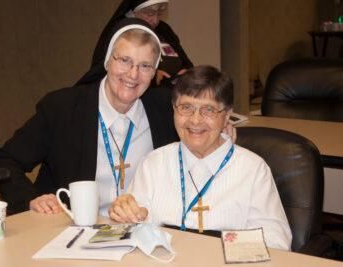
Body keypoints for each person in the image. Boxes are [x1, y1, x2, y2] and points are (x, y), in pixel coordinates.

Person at [0, 19, 179, 215]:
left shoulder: (167, 109)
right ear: (107, 60)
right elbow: (5, 160)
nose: (133, 74)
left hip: (143, 229)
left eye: (145, 66)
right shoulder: (62, 109)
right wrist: (31, 199)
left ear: (154, 72)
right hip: (72, 230)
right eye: (125, 60)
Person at [109, 65, 292, 250]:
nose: (195, 120)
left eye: (208, 110)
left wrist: (213, 248)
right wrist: (125, 214)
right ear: (173, 109)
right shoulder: (154, 163)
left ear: (227, 115)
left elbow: (276, 243)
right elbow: (130, 234)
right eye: (186, 107)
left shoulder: (253, 170)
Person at [90, 0, 193, 87]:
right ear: (134, 12)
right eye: (150, 14)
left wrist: (187, 72)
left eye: (159, 14)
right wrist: (151, 75)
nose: (155, 20)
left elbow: (185, 61)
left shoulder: (164, 29)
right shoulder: (122, 31)